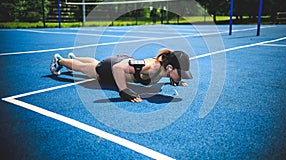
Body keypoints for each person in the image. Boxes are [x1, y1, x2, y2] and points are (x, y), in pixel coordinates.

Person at [50, 48, 192, 103]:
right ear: (170, 67)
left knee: (93, 63)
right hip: (111, 67)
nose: (181, 76)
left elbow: (168, 74)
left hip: (123, 60)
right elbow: (118, 68)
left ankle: (73, 58)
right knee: (86, 69)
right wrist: (123, 90)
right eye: (179, 74)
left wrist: (175, 80)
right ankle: (60, 60)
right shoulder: (149, 67)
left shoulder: (165, 70)